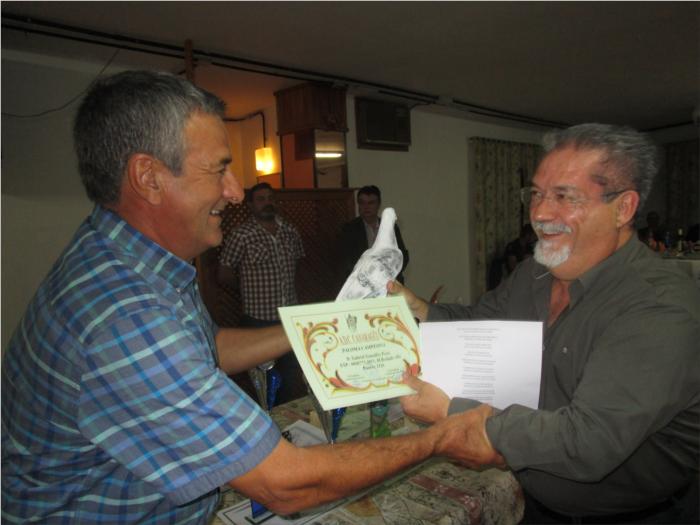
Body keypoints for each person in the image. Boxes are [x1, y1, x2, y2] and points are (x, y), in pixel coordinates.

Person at [0, 70, 489, 524]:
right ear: (148, 176)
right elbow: (286, 483)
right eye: (219, 170)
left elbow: (208, 347)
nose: (235, 192)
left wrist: (325, 323)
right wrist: (443, 437)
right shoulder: (126, 315)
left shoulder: (124, 258)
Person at [392, 123, 700, 523]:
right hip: (535, 503)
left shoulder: (659, 307)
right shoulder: (532, 273)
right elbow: (480, 322)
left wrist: (453, 411)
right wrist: (419, 309)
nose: (539, 213)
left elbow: (588, 442)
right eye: (536, 194)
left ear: (623, 209)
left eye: (564, 197)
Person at [218, 182, 305, 403]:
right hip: (258, 320)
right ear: (250, 205)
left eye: (270, 198)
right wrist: (248, 289)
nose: (267, 203)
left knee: (291, 378)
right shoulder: (241, 235)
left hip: (289, 319)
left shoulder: (290, 231)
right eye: (261, 199)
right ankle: (268, 420)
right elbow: (224, 272)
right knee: (264, 383)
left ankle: (287, 421)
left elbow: (298, 266)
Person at [339, 185, 409, 285]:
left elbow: (402, 255)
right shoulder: (350, 229)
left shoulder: (390, 227)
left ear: (378, 205)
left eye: (371, 203)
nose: (366, 207)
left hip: (389, 281)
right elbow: (348, 261)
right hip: (362, 284)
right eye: (362, 203)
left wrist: (388, 273)